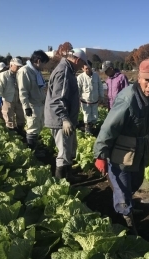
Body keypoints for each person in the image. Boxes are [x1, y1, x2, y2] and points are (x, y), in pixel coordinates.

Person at [94, 58, 149, 235]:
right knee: (122, 186)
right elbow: (109, 128)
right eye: (147, 80)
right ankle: (126, 218)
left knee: (136, 182)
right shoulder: (127, 98)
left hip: (141, 148)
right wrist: (100, 155)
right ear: (139, 78)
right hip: (122, 150)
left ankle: (126, 205)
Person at [45, 48, 88, 182]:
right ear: (77, 60)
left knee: (69, 149)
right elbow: (58, 99)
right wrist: (65, 119)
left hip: (65, 119)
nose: (82, 67)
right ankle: (62, 183)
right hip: (60, 120)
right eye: (82, 64)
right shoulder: (63, 72)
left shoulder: (68, 70)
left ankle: (69, 176)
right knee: (63, 152)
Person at [17, 50, 50, 157]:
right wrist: (26, 107)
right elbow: (23, 91)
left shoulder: (36, 71)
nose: (45, 66)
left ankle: (36, 148)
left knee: (38, 127)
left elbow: (41, 87)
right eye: (44, 63)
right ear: (39, 61)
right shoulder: (25, 71)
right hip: (32, 105)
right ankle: (33, 153)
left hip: (40, 104)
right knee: (32, 129)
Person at [0, 58, 26, 135]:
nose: (19, 68)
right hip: (8, 99)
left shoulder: (20, 75)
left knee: (21, 116)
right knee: (9, 117)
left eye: (20, 66)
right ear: (11, 65)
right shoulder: (4, 75)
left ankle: (20, 131)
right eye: (17, 66)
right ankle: (12, 133)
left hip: (18, 99)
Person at [77, 60, 104, 134]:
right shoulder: (80, 77)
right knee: (87, 116)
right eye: (86, 69)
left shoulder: (96, 76)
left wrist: (101, 97)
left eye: (89, 68)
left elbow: (100, 87)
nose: (88, 70)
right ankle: (87, 130)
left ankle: (93, 128)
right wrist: (77, 100)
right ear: (82, 69)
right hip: (85, 101)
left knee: (95, 116)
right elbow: (78, 90)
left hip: (95, 100)